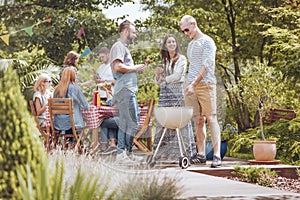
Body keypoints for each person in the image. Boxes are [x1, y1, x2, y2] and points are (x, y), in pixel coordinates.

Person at [179, 15, 222, 167]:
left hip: (206, 84)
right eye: (182, 31)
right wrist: (187, 83)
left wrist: (195, 83)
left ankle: (217, 155)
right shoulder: (191, 45)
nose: (185, 33)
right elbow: (193, 66)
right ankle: (201, 154)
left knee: (211, 118)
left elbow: (207, 64)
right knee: (198, 120)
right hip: (191, 86)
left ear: (193, 24)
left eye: (186, 29)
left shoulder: (208, 42)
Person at [153, 34, 197, 162]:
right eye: (169, 42)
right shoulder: (164, 61)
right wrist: (158, 75)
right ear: (165, 46)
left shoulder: (182, 59)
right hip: (165, 93)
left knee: (180, 121)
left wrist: (164, 79)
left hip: (177, 91)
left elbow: (178, 76)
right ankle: (164, 153)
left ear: (176, 44)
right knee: (165, 121)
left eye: (173, 42)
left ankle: (186, 153)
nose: (171, 44)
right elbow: (157, 81)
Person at [110, 20, 148, 163]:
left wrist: (137, 68)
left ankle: (127, 152)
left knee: (131, 122)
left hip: (128, 90)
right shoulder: (118, 46)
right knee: (128, 122)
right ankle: (121, 153)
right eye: (134, 32)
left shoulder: (123, 47)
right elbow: (118, 67)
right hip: (125, 90)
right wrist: (135, 68)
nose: (135, 35)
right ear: (126, 31)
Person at [53, 67, 89, 141]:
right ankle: (74, 144)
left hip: (58, 122)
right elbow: (85, 106)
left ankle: (69, 144)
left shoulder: (57, 89)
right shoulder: (74, 88)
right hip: (73, 122)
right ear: (73, 76)